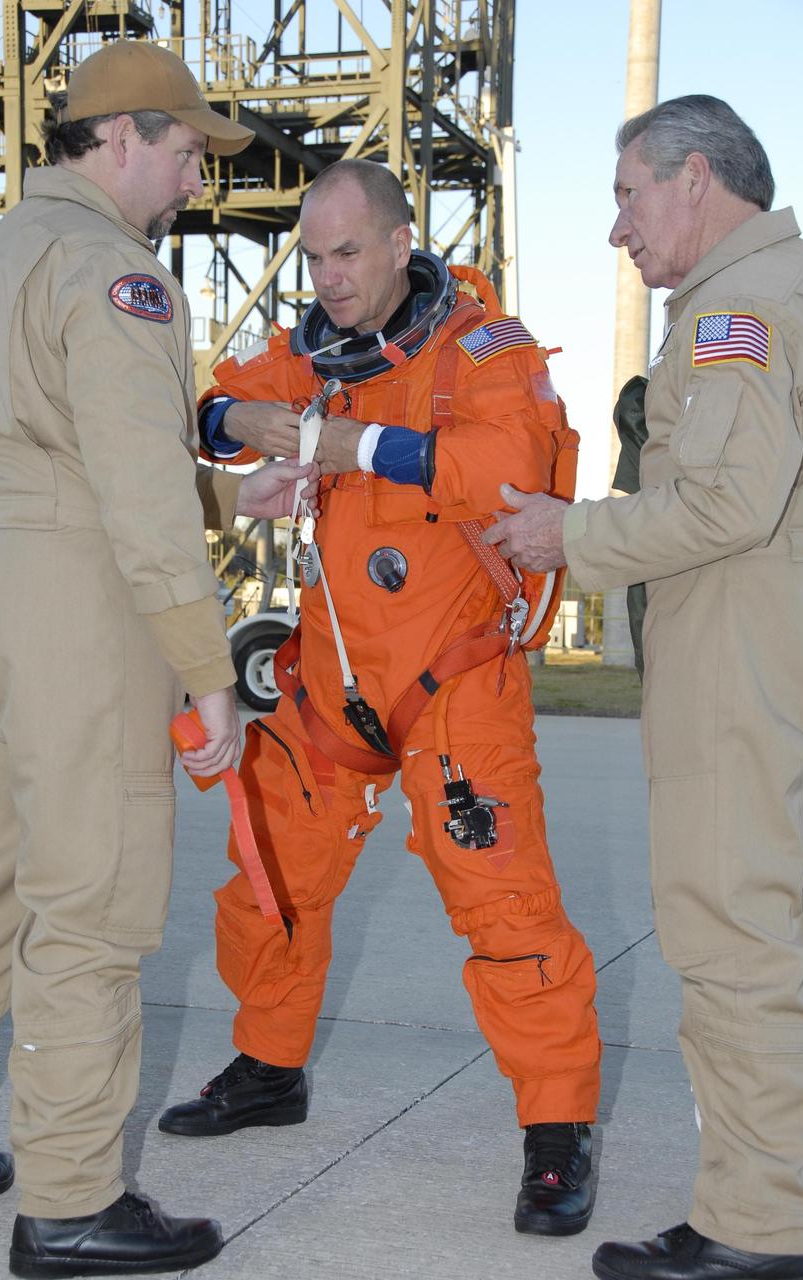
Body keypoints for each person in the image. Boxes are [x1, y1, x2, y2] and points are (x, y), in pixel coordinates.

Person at [157, 158, 603, 1238]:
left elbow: (509, 467)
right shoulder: (309, 352)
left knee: (504, 905)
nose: (327, 276)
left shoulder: (483, 349)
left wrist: (350, 443)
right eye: (311, 257)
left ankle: (557, 1132)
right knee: (267, 878)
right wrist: (244, 433)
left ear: (402, 244)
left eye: (346, 252)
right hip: (331, 685)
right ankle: (268, 1064)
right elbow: (213, 404)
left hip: (453, 683)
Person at [0, 38, 317, 1279]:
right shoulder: (117, 276)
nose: (192, 182)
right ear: (118, 139)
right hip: (71, 620)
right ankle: (70, 1197)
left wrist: (226, 497)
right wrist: (206, 666)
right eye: (179, 152)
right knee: (91, 908)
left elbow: (36, 453)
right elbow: (133, 499)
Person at [483, 96, 803, 1279]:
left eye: (627, 194)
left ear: (696, 179)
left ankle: (760, 1228)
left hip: (736, 653)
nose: (616, 226)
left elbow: (727, 501)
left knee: (731, 942)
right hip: (765, 643)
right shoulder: (773, 288)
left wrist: (571, 530)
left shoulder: (735, 306)